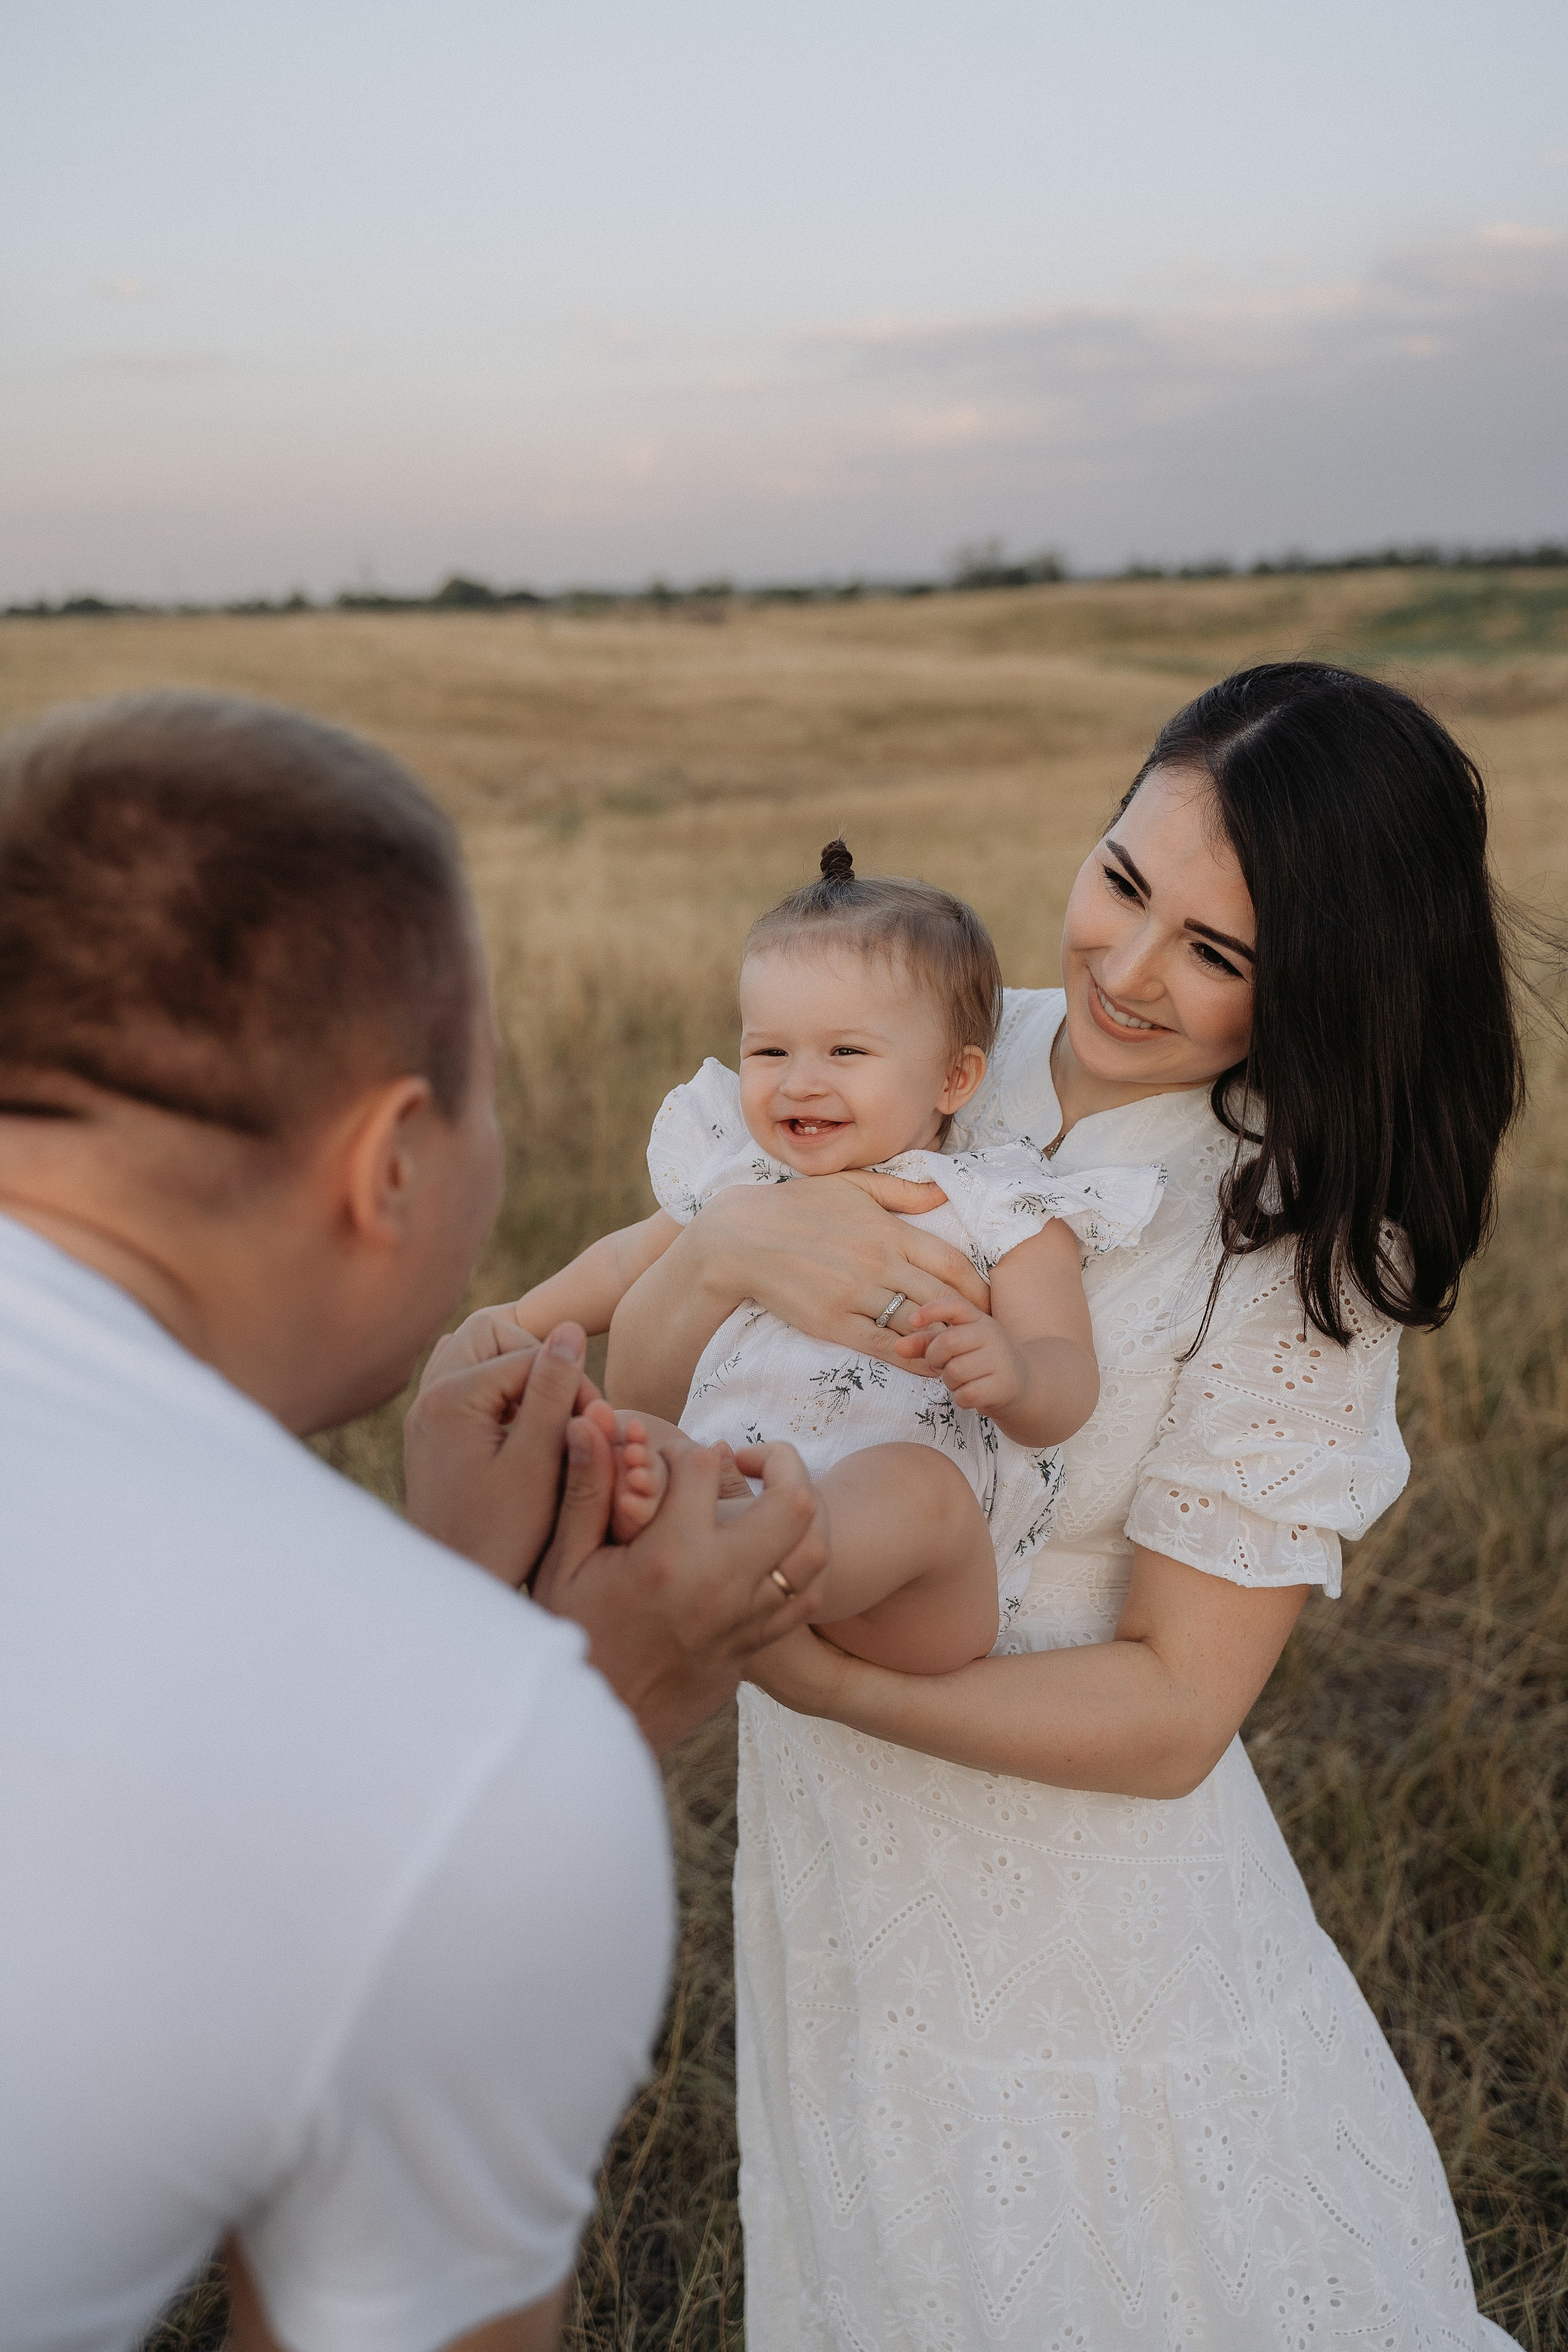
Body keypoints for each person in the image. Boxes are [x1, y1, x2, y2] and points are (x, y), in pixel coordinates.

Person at [587, 664, 1526, 2346]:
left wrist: (834, 1684)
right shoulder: (925, 1041)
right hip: (838, 1869)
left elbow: (1174, 1712)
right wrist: (720, 1255)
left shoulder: (1298, 1231)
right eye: (1121, 881)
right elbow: (658, 1394)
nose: (1127, 970)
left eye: (1217, 953)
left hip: (1084, 1922)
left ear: (1323, 984)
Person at [0, 691, 824, 2352]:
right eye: (488, 1099)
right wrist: (563, 1719)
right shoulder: (482, 1771)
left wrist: (447, 1615)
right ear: (390, 1161)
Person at [511, 842, 1163, 1673]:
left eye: (845, 1053)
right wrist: (519, 1326)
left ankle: (739, 1543)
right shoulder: (741, 1175)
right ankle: (700, 1527)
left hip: (912, 1589)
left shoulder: (996, 1203)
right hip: (733, 1481)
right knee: (641, 1442)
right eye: (769, 1052)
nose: (799, 1083)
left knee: (916, 1486)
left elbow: (1065, 1368)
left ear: (954, 1079)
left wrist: (1017, 1376)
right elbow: (621, 1266)